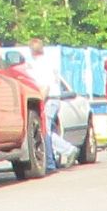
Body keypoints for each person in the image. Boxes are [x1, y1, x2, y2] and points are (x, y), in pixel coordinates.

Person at [24, 37, 62, 171]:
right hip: (55, 98)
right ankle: (67, 151)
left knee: (45, 132)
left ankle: (51, 162)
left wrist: (40, 102)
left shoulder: (39, 65)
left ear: (31, 51)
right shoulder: (48, 62)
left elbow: (45, 86)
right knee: (49, 132)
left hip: (48, 99)